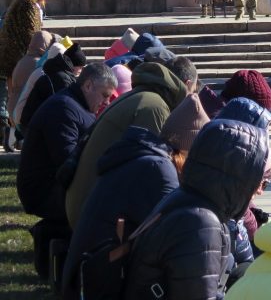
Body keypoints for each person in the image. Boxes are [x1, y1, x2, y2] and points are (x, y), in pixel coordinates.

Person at [61, 94, 208, 300]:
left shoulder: (147, 159)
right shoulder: (159, 169)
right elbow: (178, 232)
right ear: (186, 150)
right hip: (98, 283)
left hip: (90, 275)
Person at [121, 119, 268, 300]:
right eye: (258, 179)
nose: (259, 190)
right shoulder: (201, 223)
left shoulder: (188, 199)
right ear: (238, 176)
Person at [65, 62, 188, 228]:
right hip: (91, 217)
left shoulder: (137, 97)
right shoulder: (154, 107)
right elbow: (155, 172)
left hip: (81, 205)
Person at [16, 62, 116, 222]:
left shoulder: (78, 106)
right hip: (44, 190)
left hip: (53, 185)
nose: (107, 102)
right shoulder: (63, 108)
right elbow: (67, 161)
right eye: (105, 95)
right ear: (88, 86)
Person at [1, 0, 54, 145]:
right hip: (18, 59)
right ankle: (15, 133)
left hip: (10, 58)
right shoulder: (29, 5)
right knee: (20, 97)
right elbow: (33, 34)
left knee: (13, 96)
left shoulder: (21, 0)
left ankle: (12, 133)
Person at [18, 42, 88, 133]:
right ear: (74, 66)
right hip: (36, 126)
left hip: (32, 122)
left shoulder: (59, 73)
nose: (81, 70)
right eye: (81, 67)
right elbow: (67, 107)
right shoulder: (62, 79)